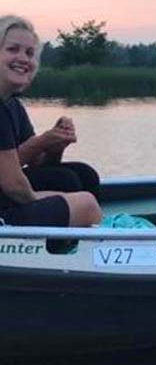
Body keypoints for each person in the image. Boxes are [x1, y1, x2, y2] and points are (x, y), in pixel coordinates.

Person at [0, 16, 101, 227]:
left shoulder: (11, 104)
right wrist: (44, 198)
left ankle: (62, 244)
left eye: (29, 53)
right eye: (12, 49)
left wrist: (56, 143)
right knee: (87, 205)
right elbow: (12, 184)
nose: (23, 58)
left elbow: (39, 164)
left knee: (83, 174)